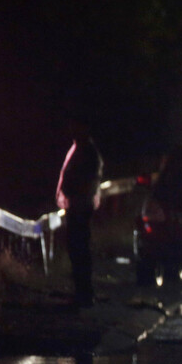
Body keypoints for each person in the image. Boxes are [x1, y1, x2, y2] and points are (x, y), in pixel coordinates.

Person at [56, 118, 103, 308]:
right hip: (76, 206)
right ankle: (82, 293)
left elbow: (86, 182)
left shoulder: (88, 152)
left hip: (80, 208)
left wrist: (73, 194)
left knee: (80, 250)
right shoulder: (80, 149)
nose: (71, 129)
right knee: (77, 250)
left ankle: (84, 294)